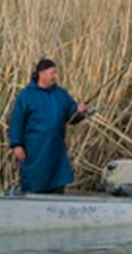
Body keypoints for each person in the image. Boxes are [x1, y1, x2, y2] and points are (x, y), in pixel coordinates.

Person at [8, 58, 91, 194]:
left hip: (56, 148)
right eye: (52, 73)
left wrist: (79, 111)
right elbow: (16, 122)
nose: (55, 77)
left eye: (56, 73)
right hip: (34, 149)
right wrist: (17, 145)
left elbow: (71, 114)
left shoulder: (60, 94)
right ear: (42, 74)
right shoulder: (26, 96)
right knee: (34, 182)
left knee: (57, 181)